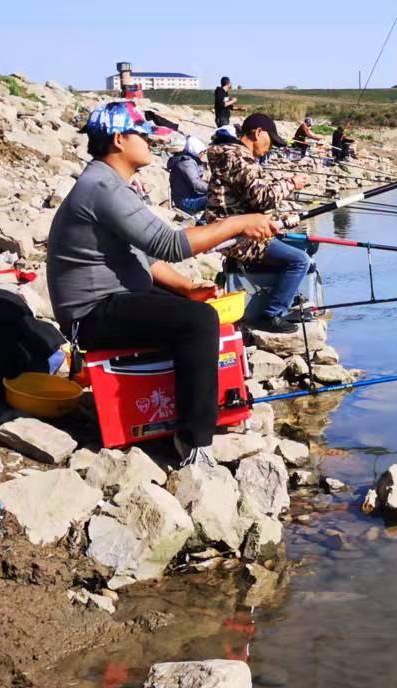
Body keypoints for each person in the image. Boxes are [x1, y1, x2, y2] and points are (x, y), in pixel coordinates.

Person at [48, 101, 279, 456]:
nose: (150, 142)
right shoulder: (102, 188)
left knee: (197, 309)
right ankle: (193, 442)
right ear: (119, 140)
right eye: (142, 134)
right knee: (200, 322)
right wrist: (240, 222)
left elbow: (146, 257)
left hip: (114, 300)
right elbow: (170, 245)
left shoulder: (109, 183)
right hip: (91, 314)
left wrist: (186, 287)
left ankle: (186, 410)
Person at [203, 113, 310, 334]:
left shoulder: (230, 155)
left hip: (234, 228)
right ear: (258, 133)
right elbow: (263, 198)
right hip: (237, 236)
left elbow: (252, 196)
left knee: (301, 245)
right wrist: (291, 183)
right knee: (300, 261)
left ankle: (285, 300)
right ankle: (271, 314)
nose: (269, 147)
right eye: (269, 141)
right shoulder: (240, 158)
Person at [166, 134, 211, 215]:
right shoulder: (187, 163)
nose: (203, 154)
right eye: (202, 152)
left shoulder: (190, 160)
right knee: (218, 199)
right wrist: (214, 188)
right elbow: (196, 183)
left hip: (190, 196)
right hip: (186, 202)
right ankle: (202, 222)